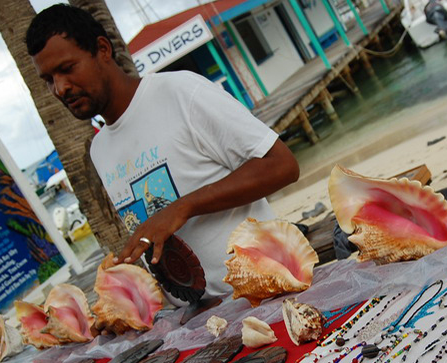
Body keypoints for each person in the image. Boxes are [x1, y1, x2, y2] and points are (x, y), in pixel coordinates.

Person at [26, 5, 299, 301]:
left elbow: (282, 165)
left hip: (270, 291)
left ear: (102, 49)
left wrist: (182, 208)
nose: (60, 88)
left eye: (67, 69)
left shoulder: (180, 92)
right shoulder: (100, 149)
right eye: (48, 80)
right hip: (202, 321)